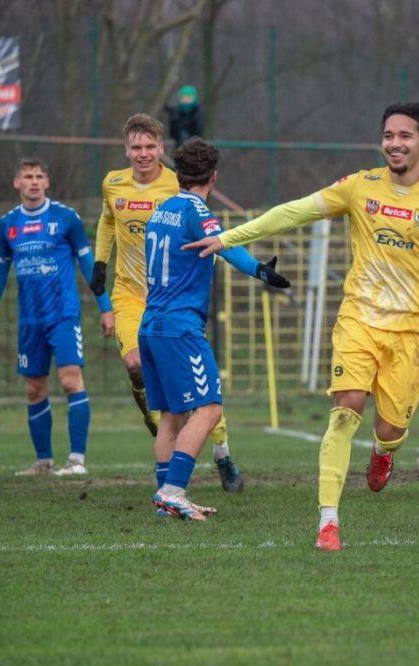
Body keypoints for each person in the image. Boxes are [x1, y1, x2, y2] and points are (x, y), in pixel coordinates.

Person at [185, 102, 419, 551]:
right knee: (345, 408)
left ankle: (383, 453)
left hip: (411, 333)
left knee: (390, 430)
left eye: (405, 136)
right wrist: (228, 237)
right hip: (359, 319)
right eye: (388, 135)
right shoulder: (361, 186)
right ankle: (328, 522)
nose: (395, 143)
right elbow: (294, 211)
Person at [90, 114, 245, 491]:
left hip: (171, 299)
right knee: (134, 364)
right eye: (136, 147)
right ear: (126, 150)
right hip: (130, 294)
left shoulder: (178, 188)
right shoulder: (113, 183)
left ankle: (221, 451)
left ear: (161, 149)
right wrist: (100, 260)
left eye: (150, 147)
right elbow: (108, 220)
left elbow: (212, 236)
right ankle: (158, 423)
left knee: (198, 396)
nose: (143, 154)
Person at [141, 138, 288, 519]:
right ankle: (173, 491)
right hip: (179, 327)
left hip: (151, 325)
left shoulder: (162, 210)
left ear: (176, 174)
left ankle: (164, 498)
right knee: (208, 409)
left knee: (173, 415)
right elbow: (223, 243)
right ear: (214, 177)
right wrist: (260, 270)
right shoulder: (195, 209)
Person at [0, 157, 114, 476]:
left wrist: (105, 307)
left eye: (39, 176)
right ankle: (43, 461)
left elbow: (88, 264)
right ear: (17, 183)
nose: (34, 181)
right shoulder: (7, 224)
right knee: (34, 389)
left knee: (70, 380)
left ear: (47, 182)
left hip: (63, 315)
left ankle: (77, 460)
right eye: (28, 176)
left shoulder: (66, 218)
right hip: (29, 321)